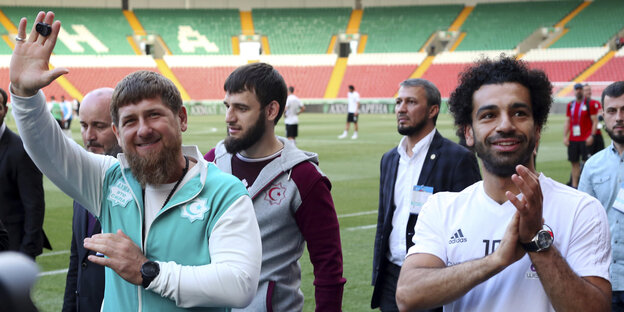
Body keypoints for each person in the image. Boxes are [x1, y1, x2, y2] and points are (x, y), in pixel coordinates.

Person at [10, 12, 261, 311]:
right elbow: (48, 149)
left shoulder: (224, 193)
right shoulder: (108, 179)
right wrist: (25, 96)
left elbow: (239, 284)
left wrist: (146, 270)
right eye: (130, 121)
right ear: (117, 131)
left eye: (154, 114)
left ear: (181, 118)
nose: (143, 129)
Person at [396, 56, 612, 311]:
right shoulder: (442, 208)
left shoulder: (582, 209)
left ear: (538, 129)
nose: (506, 125)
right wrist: (496, 260)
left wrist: (536, 242)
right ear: (469, 132)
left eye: (519, 113)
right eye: (489, 115)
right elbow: (407, 295)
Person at [204, 62, 346, 311]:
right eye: (227, 106)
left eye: (241, 108)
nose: (229, 117)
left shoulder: (304, 178)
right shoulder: (212, 161)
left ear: (271, 111)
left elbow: (328, 266)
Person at [371, 78, 481, 312]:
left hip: (434, 277)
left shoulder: (458, 158)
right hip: (392, 279)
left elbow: (472, 225)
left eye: (411, 102)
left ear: (433, 110)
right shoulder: (390, 159)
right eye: (399, 101)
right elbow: (384, 221)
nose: (401, 108)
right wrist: (378, 276)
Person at [62, 87, 120, 312]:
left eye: (99, 126)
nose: (89, 136)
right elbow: (77, 260)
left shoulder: (141, 187)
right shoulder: (82, 181)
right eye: (84, 126)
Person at [578, 81, 624, 310]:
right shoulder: (593, 166)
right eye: (612, 111)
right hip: (604, 280)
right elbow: (582, 225)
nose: (619, 118)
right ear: (603, 115)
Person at [0, 86, 50, 259]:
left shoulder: (21, 150)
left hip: (12, 249)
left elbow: (34, 205)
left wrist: (26, 253)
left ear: (5, 110)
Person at [564, 83, 598, 188]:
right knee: (574, 163)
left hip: (585, 139)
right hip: (573, 139)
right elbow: (568, 121)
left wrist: (592, 136)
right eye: (576, 89)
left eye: (580, 89)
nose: (578, 91)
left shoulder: (589, 104)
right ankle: (574, 187)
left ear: (583, 91)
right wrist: (565, 136)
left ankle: (585, 186)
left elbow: (595, 121)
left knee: (586, 164)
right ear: (574, 91)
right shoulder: (570, 105)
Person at [583, 83, 605, 156]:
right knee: (587, 159)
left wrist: (599, 116)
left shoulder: (596, 103)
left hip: (597, 134)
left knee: (601, 157)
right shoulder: (580, 105)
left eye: (589, 90)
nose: (588, 92)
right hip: (586, 135)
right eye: (586, 90)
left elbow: (600, 113)